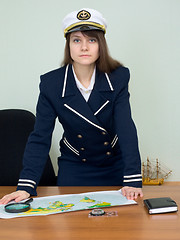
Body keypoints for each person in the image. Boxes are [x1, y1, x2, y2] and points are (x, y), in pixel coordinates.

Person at [0, 8, 143, 205]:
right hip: (75, 166)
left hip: (115, 164)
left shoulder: (118, 77)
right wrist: (25, 186)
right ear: (68, 45)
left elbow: (125, 127)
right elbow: (40, 137)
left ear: (101, 45)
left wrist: (133, 178)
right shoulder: (51, 84)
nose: (84, 47)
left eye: (91, 40)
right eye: (77, 40)